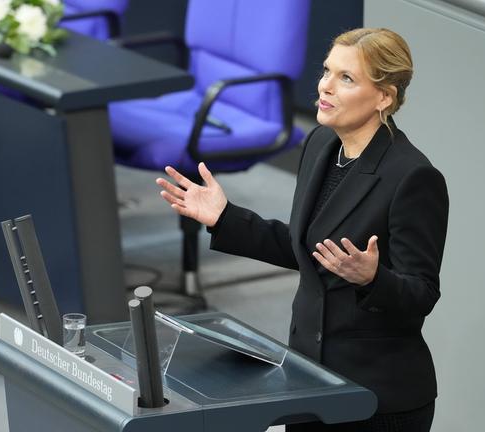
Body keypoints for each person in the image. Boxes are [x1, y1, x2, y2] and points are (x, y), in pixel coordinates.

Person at [155, 28, 449, 432]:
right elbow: (307, 247)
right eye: (327, 71)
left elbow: (422, 293)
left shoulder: (413, 177)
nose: (325, 86)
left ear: (385, 97)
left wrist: (372, 278)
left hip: (377, 399)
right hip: (311, 381)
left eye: (347, 78)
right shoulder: (321, 143)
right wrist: (224, 218)